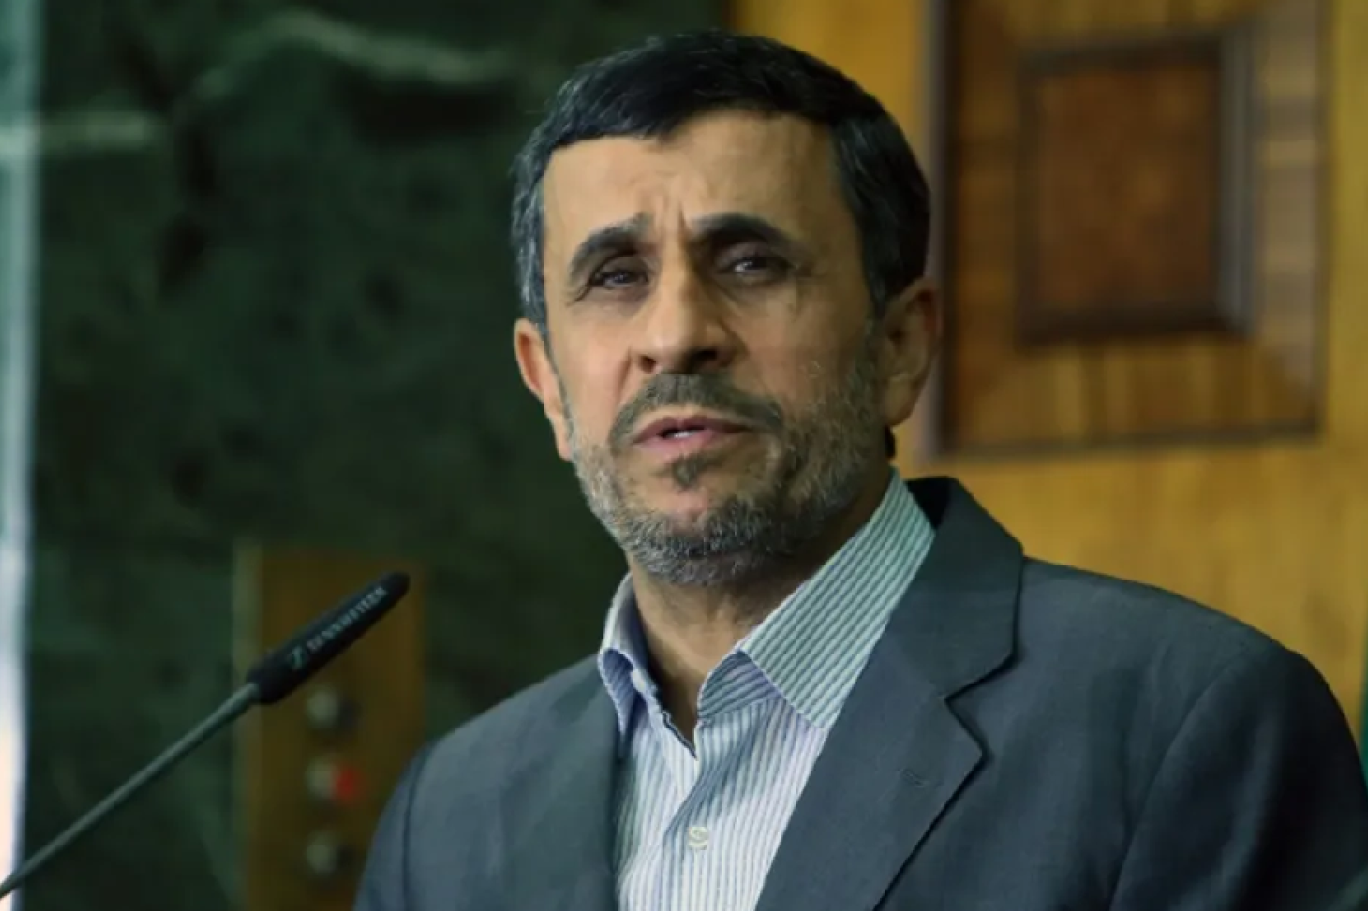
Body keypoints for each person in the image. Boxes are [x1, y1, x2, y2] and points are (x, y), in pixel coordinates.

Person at [354, 28, 1368, 911]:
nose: (676, 333)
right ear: (546, 383)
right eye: (616, 275)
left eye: (750, 262)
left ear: (899, 345)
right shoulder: (447, 814)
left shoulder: (1189, 723)